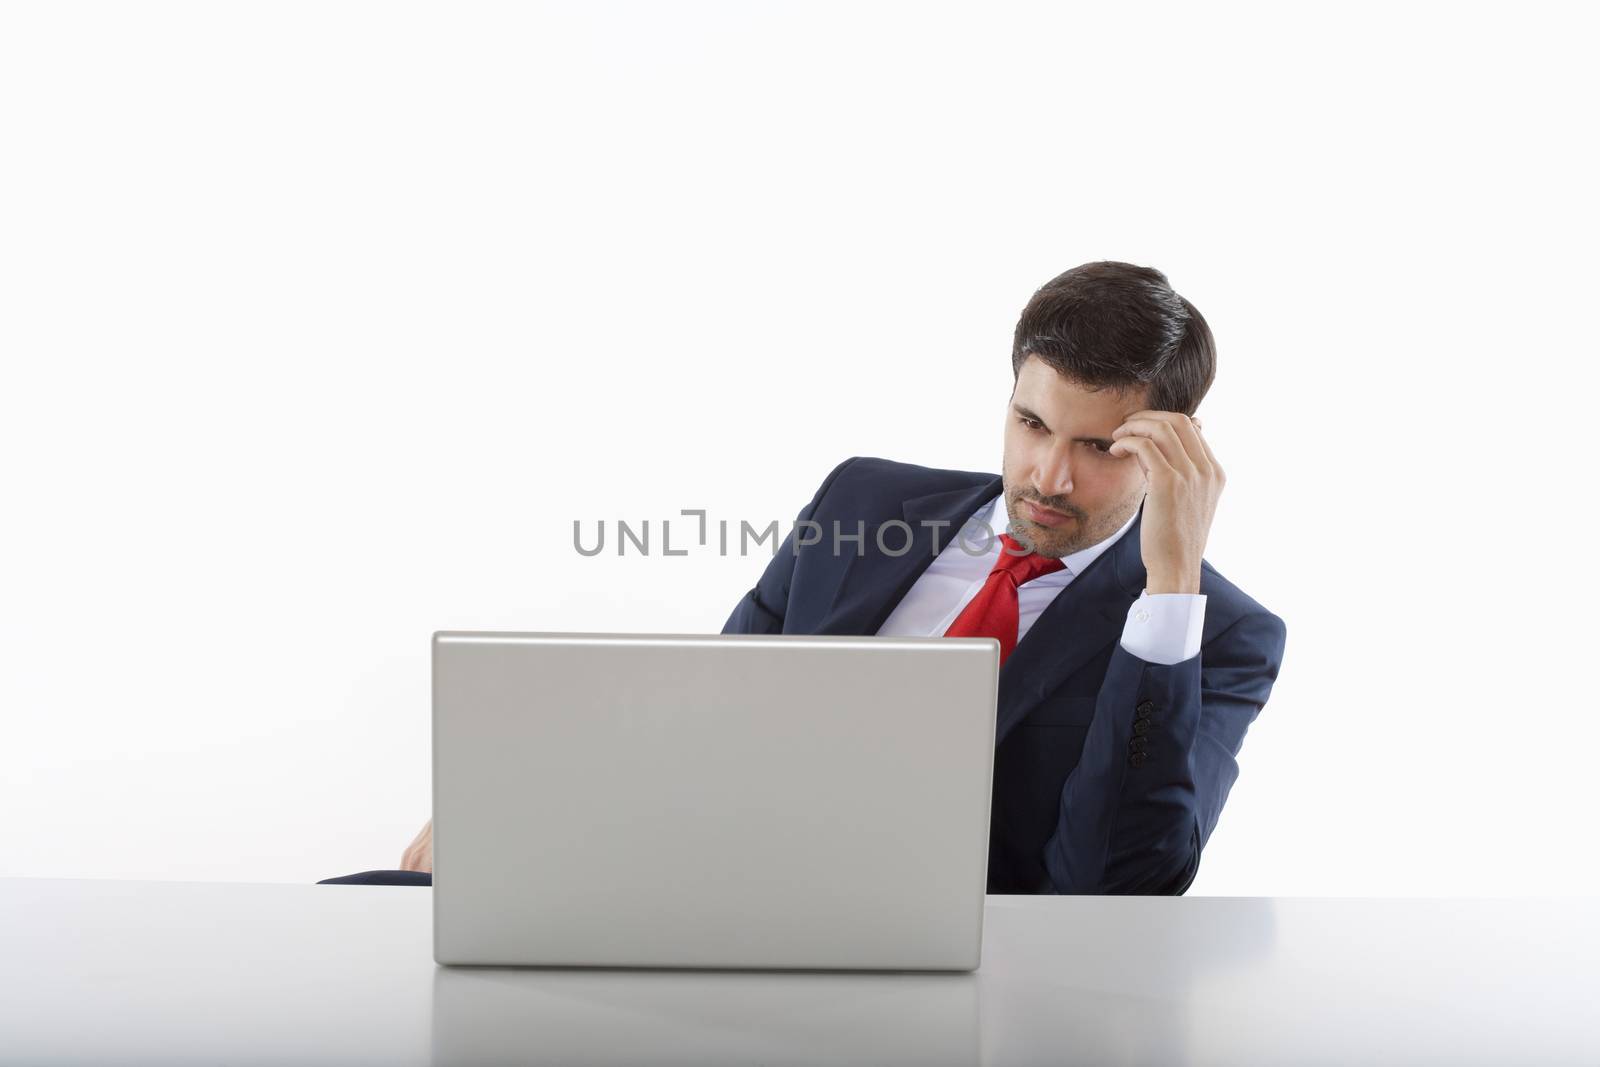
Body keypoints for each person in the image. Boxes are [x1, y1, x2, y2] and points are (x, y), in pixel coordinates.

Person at [320, 260, 1287, 894]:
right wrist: (528, 800)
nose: (1048, 476)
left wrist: (1167, 592)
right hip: (703, 872)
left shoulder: (1220, 636)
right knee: (363, 914)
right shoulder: (865, 501)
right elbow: (720, 699)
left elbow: (1116, 889)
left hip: (938, 968)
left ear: (1176, 450)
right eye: (1031, 425)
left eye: (1099, 446)